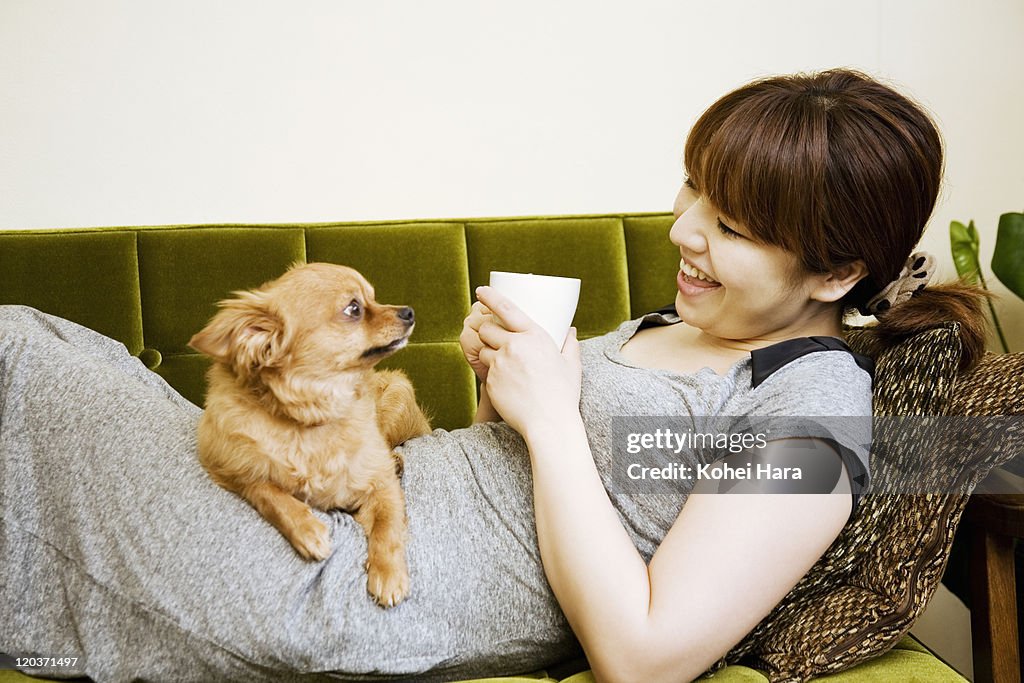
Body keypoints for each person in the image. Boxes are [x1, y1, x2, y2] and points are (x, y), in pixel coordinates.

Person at [0, 68, 987, 683]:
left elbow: (644, 656)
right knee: (41, 352)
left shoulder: (812, 410)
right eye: (694, 188)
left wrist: (552, 416)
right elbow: (541, 493)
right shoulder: (672, 323)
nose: (683, 229)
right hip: (345, 498)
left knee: (22, 361)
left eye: (731, 225)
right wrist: (500, 390)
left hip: (346, 582)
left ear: (837, 270)